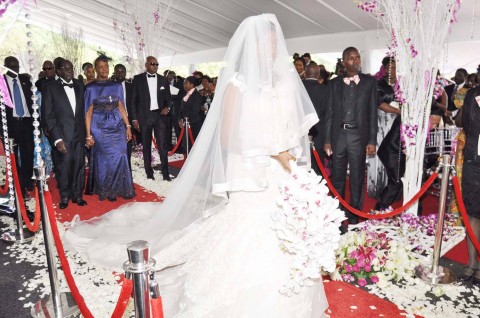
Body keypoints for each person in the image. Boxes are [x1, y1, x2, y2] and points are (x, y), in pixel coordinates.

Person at [65, 14, 328, 317]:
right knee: (251, 234)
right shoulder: (236, 86)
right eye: (264, 45)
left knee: (288, 236)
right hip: (252, 175)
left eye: (273, 45)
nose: (270, 52)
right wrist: (272, 150)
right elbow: (228, 138)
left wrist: (292, 157)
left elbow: (295, 127)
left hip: (282, 175)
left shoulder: (284, 85)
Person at [324, 47, 378, 231]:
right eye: (351, 58)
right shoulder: (333, 84)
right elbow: (329, 114)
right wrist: (327, 141)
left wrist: (372, 140)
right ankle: (337, 218)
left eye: (358, 57)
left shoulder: (370, 83)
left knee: (357, 178)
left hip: (358, 137)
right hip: (338, 136)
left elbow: (372, 113)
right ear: (344, 61)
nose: (356, 60)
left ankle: (355, 217)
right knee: (337, 178)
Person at [84, 55, 135, 202]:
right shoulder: (90, 88)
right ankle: (106, 190)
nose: (104, 70)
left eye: (106, 67)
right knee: (104, 159)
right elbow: (88, 113)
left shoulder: (116, 85)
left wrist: (128, 126)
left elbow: (121, 107)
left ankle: (119, 188)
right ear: (95, 69)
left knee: (121, 155)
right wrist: (88, 135)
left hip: (117, 126)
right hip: (99, 127)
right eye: (100, 67)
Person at [41, 59, 87, 209]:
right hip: (62, 134)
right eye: (66, 69)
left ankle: (78, 194)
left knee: (79, 165)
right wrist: (56, 139)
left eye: (71, 69)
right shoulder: (50, 87)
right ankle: (65, 196)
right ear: (58, 71)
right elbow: (48, 116)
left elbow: (83, 112)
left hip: (79, 134)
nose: (69, 72)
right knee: (64, 166)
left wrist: (87, 134)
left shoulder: (80, 85)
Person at [130, 56, 172, 181]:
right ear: (146, 65)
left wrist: (168, 108)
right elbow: (133, 101)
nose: (155, 66)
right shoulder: (138, 79)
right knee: (146, 146)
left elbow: (169, 98)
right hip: (144, 116)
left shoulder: (163, 80)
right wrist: (134, 119)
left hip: (159, 116)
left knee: (163, 145)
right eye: (152, 64)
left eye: (157, 64)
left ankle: (165, 173)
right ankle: (149, 173)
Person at [367, 56, 401, 199]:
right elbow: (378, 102)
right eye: (388, 67)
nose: (390, 70)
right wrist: (398, 111)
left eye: (393, 67)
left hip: (398, 123)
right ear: (384, 68)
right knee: (381, 153)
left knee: (395, 156)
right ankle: (378, 187)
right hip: (382, 123)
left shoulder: (402, 84)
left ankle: (394, 188)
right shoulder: (378, 83)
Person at [2, 56, 35, 196]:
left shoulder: (25, 80)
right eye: (11, 67)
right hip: (10, 125)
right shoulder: (1, 82)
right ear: (5, 66)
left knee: (28, 153)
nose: (15, 69)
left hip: (27, 122)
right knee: (13, 156)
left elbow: (32, 101)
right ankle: (19, 182)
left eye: (16, 66)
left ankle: (28, 180)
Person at [458, 85, 480, 287]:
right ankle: (472, 263)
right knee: (472, 212)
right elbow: (464, 123)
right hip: (474, 160)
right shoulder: (473, 94)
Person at [178, 76, 204, 151]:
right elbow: (180, 109)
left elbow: (195, 110)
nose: (184, 85)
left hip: (194, 123)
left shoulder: (197, 95)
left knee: (193, 145)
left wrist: (185, 119)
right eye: (184, 83)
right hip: (185, 123)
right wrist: (180, 119)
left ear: (192, 85)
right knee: (187, 145)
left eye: (186, 83)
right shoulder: (185, 94)